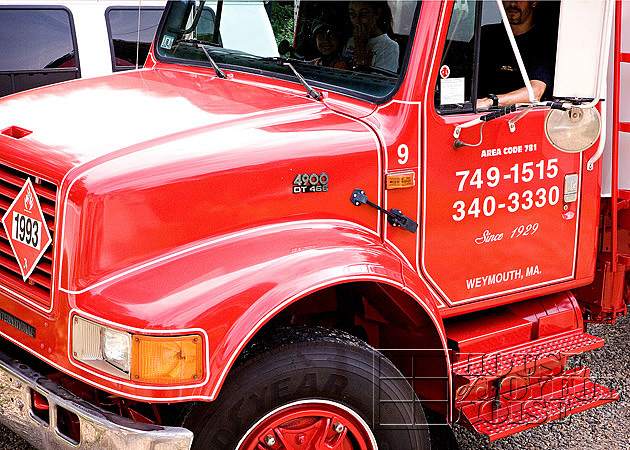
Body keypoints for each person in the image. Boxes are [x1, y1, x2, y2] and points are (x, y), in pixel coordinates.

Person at [477, 1, 556, 110]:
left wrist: (490, 102)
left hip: (519, 119)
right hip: (471, 117)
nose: (513, 3)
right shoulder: (485, 35)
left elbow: (535, 92)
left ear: (534, 2)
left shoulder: (544, 43)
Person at [342, 1, 399, 72]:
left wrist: (361, 50)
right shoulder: (350, 41)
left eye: (363, 14)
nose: (357, 21)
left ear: (377, 13)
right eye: (353, 15)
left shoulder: (389, 47)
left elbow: (379, 81)